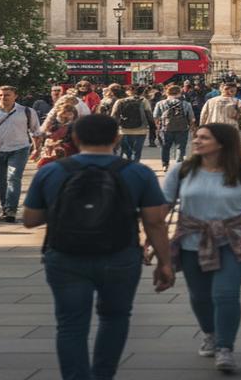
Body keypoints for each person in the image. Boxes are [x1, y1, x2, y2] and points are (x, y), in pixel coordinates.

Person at [22, 114, 174, 380]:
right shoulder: (137, 172)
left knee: (70, 326)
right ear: (117, 138)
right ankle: (103, 375)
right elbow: (155, 222)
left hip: (65, 256)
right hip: (121, 255)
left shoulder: (53, 171)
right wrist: (165, 262)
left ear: (76, 138)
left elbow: (30, 220)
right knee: (115, 318)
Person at [164, 124, 241, 373]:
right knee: (200, 296)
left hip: (234, 242)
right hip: (191, 241)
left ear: (222, 143)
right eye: (196, 137)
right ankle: (210, 333)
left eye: (204, 138)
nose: (196, 141)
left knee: (225, 293)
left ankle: (225, 347)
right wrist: (153, 240)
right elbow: (163, 206)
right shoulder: (182, 170)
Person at [0, 85, 43, 223]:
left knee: (13, 178)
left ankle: (11, 210)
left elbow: (35, 131)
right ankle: (5, 208)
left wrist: (36, 149)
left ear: (15, 96)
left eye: (7, 95)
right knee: (0, 180)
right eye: (0, 95)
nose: (3, 97)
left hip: (19, 149)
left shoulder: (27, 111)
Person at [153, 84, 195, 171]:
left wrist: (158, 127)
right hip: (182, 128)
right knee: (180, 147)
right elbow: (191, 117)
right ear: (180, 93)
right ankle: (178, 164)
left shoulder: (160, 103)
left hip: (165, 128)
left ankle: (165, 164)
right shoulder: (186, 104)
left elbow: (156, 116)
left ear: (167, 93)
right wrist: (191, 127)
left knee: (165, 147)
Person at [37, 96, 81, 167]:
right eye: (71, 102)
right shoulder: (55, 112)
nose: (72, 104)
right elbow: (46, 127)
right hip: (55, 140)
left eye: (73, 103)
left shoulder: (73, 112)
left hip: (67, 141)